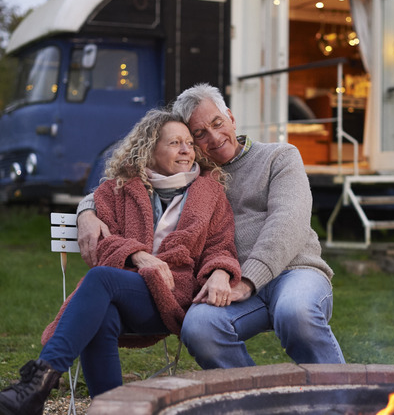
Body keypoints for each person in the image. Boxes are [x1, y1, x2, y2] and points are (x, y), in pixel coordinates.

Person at [0, 108, 241, 415]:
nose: (186, 150)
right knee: (100, 317)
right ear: (149, 149)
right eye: (174, 143)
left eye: (188, 143)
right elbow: (101, 242)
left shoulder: (210, 193)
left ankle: (35, 387)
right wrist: (138, 255)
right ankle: (108, 409)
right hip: (126, 294)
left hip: (175, 294)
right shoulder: (120, 189)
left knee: (100, 278)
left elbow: (221, 246)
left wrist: (220, 272)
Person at [77, 83, 345, 369]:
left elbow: (287, 222)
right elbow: (121, 185)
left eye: (217, 123)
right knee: (200, 328)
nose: (214, 137)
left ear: (231, 117)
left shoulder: (279, 157)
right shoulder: (192, 174)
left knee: (295, 313)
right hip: (227, 283)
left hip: (293, 273)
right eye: (199, 134)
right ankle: (254, 393)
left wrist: (248, 281)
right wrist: (86, 211)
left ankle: (345, 395)